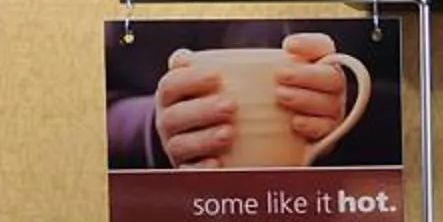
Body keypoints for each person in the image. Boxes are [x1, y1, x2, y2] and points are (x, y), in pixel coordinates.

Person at [105, 27, 362, 169]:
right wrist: (161, 122)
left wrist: (343, 103)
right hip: (172, 211)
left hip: (341, 203)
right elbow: (81, 110)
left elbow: (401, 91)